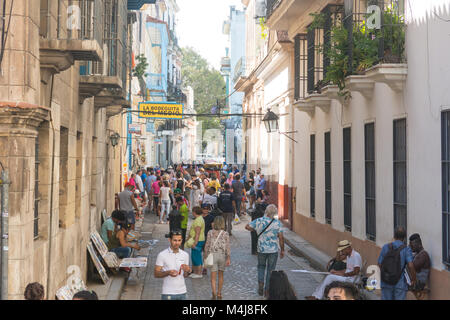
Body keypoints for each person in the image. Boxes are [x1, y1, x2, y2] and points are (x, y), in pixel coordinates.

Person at [245, 204, 285, 297]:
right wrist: (282, 250)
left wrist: (255, 230)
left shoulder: (259, 221)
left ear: (266, 211)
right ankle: (267, 290)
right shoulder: (277, 223)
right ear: (274, 213)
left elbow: (247, 227)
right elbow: (281, 238)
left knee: (261, 267)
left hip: (261, 249)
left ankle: (260, 283)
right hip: (273, 250)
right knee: (271, 270)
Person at [378, 227, 417, 300]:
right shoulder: (406, 249)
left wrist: (387, 274)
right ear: (404, 237)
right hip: (400, 283)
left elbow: (380, 264)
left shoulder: (385, 247)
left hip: (386, 282)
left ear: (394, 236)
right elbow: (411, 266)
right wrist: (413, 279)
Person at [154, 230, 191, 300]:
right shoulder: (162, 255)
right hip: (168, 293)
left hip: (183, 293)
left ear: (182, 240)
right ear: (170, 240)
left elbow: (185, 275)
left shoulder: (185, 255)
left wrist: (188, 270)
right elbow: (156, 274)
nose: (177, 243)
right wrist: (168, 273)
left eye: (179, 240)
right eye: (175, 240)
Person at [204, 215, 231, 300]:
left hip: (213, 255)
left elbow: (207, 245)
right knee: (221, 276)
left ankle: (214, 292)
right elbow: (227, 247)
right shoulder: (225, 233)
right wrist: (228, 258)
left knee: (213, 277)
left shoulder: (210, 232)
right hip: (222, 256)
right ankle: (219, 293)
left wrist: (205, 256)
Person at [408, 233, 431, 299]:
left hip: (419, 284)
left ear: (418, 244)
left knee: (399, 285)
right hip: (415, 281)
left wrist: (408, 253)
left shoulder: (423, 255)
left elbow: (412, 267)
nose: (411, 247)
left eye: (412, 245)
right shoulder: (417, 254)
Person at [186, 206, 205, 278]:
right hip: (198, 239)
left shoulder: (198, 220)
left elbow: (197, 232)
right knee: (195, 256)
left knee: (197, 257)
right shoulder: (199, 219)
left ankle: (199, 273)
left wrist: (195, 243)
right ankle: (196, 272)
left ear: (194, 212)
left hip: (198, 240)